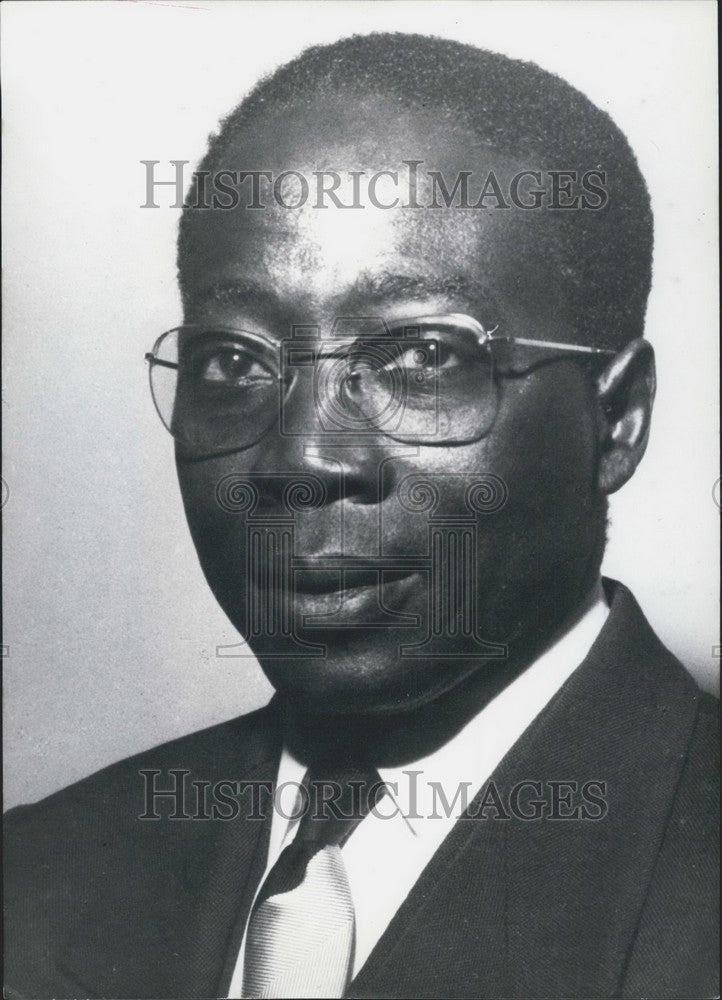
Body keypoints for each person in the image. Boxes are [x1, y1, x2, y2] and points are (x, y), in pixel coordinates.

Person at [4, 32, 718, 1000]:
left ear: (615, 416)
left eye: (421, 357)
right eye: (236, 361)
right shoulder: (37, 878)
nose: (302, 454)